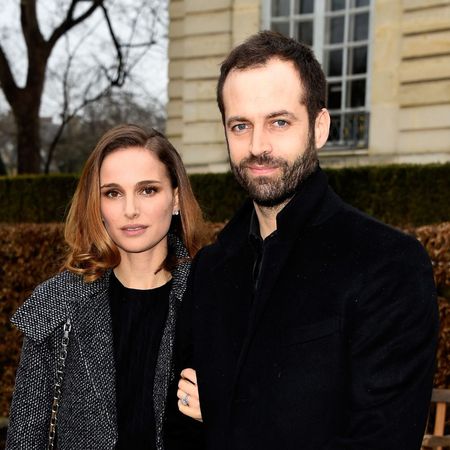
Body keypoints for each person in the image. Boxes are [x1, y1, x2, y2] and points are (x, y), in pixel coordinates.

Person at [175, 31, 439, 449]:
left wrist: (227, 411)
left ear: (319, 127)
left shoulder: (388, 264)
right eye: (240, 125)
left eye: (279, 122)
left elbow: (381, 440)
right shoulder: (210, 269)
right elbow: (184, 430)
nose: (258, 146)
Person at [6, 124, 205, 449]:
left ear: (176, 199)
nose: (130, 210)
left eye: (148, 190)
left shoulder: (214, 299)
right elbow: (25, 440)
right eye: (113, 192)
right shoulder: (57, 304)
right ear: (96, 205)